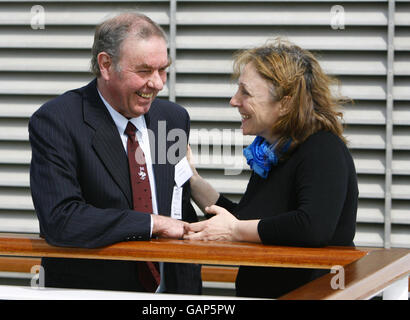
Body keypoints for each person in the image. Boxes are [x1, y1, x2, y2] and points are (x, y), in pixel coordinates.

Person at [29, 13, 201, 294]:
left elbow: (178, 205)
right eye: (145, 71)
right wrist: (152, 224)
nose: (158, 83)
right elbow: (61, 219)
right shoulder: (57, 120)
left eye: (163, 70)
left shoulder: (172, 119)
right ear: (106, 65)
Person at [184, 38, 358, 298]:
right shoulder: (273, 152)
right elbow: (247, 222)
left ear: (286, 103)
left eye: (246, 92)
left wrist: (233, 231)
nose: (234, 101)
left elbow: (312, 226)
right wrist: (193, 180)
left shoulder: (322, 148)